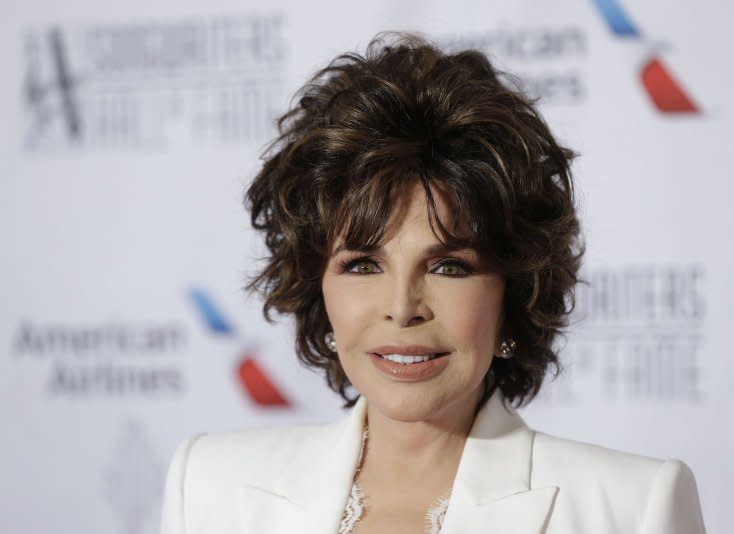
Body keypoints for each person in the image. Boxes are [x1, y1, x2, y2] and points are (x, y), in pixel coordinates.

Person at [160, 33, 706, 534]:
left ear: (513, 295)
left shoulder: (631, 508)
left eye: (449, 267)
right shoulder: (210, 490)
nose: (402, 308)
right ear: (316, 288)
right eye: (363, 265)